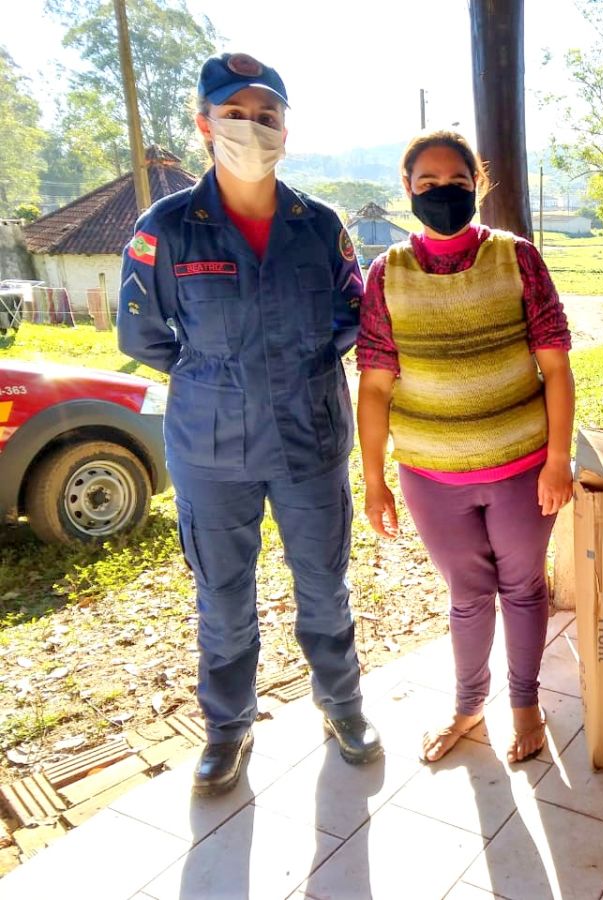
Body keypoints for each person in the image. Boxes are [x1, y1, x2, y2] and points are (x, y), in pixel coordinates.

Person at [117, 52, 382, 796]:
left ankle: (343, 708)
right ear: (205, 124)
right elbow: (142, 337)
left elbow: (349, 315)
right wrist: (221, 381)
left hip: (309, 444)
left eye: (268, 116)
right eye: (237, 114)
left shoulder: (321, 226)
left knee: (325, 586)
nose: (253, 128)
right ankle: (227, 731)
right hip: (211, 452)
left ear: (286, 132)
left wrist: (293, 375)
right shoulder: (165, 229)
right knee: (223, 598)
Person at [356, 130, 574, 765]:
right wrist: (374, 481)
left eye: (456, 182)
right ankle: (468, 705)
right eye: (427, 184)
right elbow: (373, 387)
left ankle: (526, 703)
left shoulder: (516, 258)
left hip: (523, 467)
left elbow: (556, 369)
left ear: (477, 185)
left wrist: (557, 459)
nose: (442, 193)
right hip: (431, 473)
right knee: (466, 594)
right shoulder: (386, 273)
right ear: (407, 190)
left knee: (525, 588)